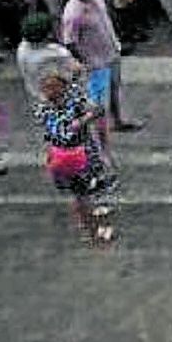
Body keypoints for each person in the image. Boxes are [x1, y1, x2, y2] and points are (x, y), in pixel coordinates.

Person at [32, 70, 117, 243]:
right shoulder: (56, 106)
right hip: (73, 155)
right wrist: (79, 122)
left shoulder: (58, 105)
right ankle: (93, 227)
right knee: (84, 192)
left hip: (69, 155)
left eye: (53, 87)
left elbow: (96, 110)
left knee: (82, 192)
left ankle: (87, 225)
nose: (50, 92)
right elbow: (64, 130)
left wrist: (82, 119)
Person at [61, 0, 141, 134]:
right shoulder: (73, 13)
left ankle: (117, 120)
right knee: (95, 99)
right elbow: (69, 41)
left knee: (114, 88)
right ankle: (79, 128)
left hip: (111, 51)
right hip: (95, 61)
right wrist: (83, 61)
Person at [16, 10, 77, 102]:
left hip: (37, 92)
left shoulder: (23, 48)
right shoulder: (55, 53)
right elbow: (74, 68)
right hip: (55, 95)